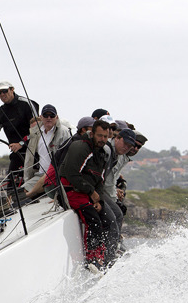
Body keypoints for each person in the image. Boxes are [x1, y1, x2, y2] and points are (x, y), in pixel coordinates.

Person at [58, 120, 118, 269]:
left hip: (86, 192)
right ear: (92, 134)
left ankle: (104, 258)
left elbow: (100, 181)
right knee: (93, 220)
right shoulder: (80, 147)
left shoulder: (102, 153)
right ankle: (91, 259)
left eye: (105, 136)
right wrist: (91, 192)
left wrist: (99, 201)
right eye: (99, 135)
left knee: (107, 220)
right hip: (71, 189)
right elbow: (72, 174)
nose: (102, 139)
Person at [0, 81, 38, 188]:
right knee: (11, 187)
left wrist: (21, 143)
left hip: (35, 152)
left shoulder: (26, 104)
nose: (2, 94)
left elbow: (38, 130)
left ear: (12, 89)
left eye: (5, 91)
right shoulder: (0, 112)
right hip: (16, 154)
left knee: (33, 183)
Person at [22, 104, 71, 195]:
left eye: (52, 115)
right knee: (22, 192)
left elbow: (67, 157)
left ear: (56, 117)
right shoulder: (35, 133)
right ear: (41, 117)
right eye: (46, 115)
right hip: (40, 175)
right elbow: (29, 158)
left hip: (56, 175)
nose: (49, 118)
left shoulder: (63, 132)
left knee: (30, 194)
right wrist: (27, 179)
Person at [100, 128, 138, 234]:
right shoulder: (107, 150)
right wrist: (114, 199)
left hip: (99, 188)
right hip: (94, 188)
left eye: (129, 146)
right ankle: (110, 244)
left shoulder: (117, 154)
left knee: (118, 213)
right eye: (125, 143)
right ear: (117, 138)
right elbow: (107, 182)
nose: (126, 148)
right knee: (117, 214)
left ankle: (113, 241)